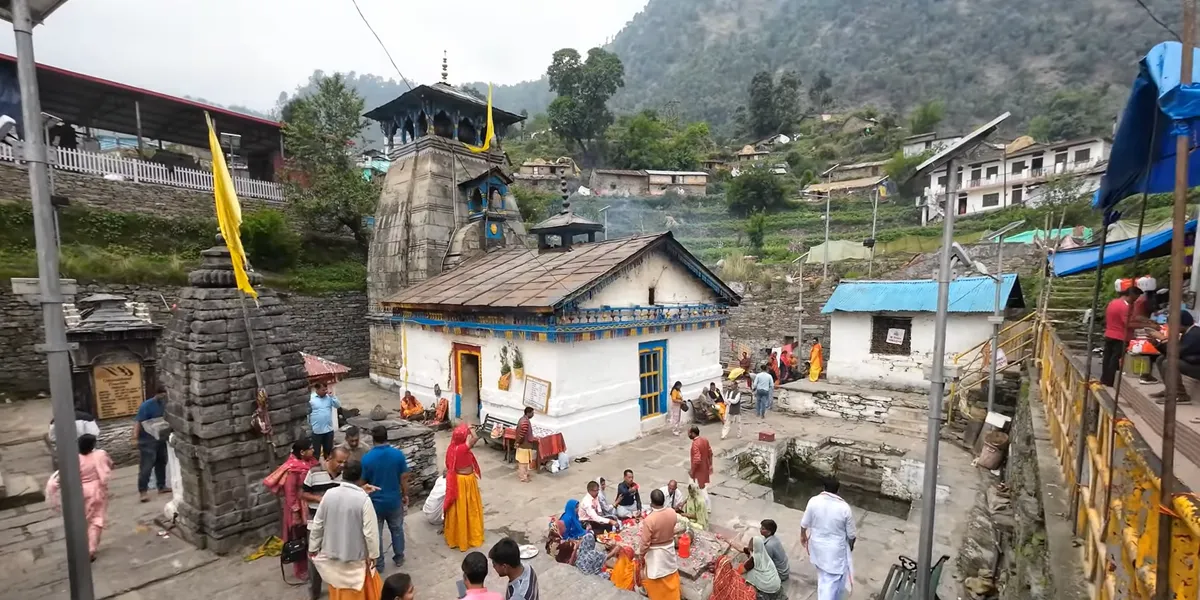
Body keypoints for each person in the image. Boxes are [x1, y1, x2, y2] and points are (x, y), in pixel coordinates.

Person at [308, 460, 383, 600]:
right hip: (356, 561)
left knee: (337, 590)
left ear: (342, 473)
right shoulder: (363, 500)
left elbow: (318, 524)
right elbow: (370, 533)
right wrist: (373, 555)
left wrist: (313, 547)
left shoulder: (329, 495)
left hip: (332, 557)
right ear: (361, 477)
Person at [45, 434, 112, 561]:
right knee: (96, 519)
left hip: (79, 492)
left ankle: (81, 547)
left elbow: (60, 479)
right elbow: (110, 465)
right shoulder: (99, 455)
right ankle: (91, 549)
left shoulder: (74, 460)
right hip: (97, 491)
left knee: (82, 520)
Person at [265, 439, 319, 581]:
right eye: (311, 449)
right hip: (298, 508)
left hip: (310, 502)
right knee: (298, 538)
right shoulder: (292, 470)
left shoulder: (311, 462)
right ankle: (300, 569)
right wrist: (296, 512)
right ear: (302, 452)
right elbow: (290, 494)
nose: (313, 451)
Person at [303, 447, 351, 599]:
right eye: (339, 461)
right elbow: (303, 493)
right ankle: (314, 593)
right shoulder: (314, 472)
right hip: (315, 522)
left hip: (336, 523)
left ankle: (336, 591)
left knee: (336, 558)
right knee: (314, 559)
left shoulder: (344, 476)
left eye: (345, 462)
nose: (342, 465)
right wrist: (320, 499)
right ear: (330, 458)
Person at [362, 425, 410, 570]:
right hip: (394, 500)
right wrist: (405, 494)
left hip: (375, 503)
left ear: (373, 439)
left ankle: (380, 563)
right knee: (397, 530)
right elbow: (404, 478)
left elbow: (363, 482)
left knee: (376, 534)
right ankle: (399, 557)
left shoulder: (367, 459)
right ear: (387, 436)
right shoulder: (398, 455)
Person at [800, 477, 857, 600]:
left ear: (823, 488)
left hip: (817, 547)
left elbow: (804, 523)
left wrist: (803, 535)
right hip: (835, 551)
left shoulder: (814, 501)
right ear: (838, 490)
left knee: (824, 576)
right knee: (830, 582)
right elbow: (852, 535)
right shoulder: (844, 508)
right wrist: (850, 548)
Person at [445, 423, 484, 551]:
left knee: (459, 509)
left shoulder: (452, 448)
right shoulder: (462, 448)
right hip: (465, 482)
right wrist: (471, 429)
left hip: (458, 480)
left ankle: (457, 536)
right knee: (468, 509)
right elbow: (476, 438)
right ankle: (469, 536)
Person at [639, 489, 684, 600]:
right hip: (669, 548)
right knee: (670, 573)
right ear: (664, 501)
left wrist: (641, 554)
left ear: (651, 502)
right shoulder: (672, 513)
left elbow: (645, 542)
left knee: (655, 576)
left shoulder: (649, 520)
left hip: (655, 552)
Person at [133, 384, 170, 502]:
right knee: (147, 466)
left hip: (160, 437)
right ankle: (143, 491)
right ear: (158, 394)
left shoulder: (165, 404)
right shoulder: (147, 405)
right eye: (163, 394)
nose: (164, 396)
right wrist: (134, 437)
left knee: (162, 462)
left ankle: (161, 486)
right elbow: (138, 422)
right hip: (147, 440)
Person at [1101, 286, 1142, 387]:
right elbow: (1128, 323)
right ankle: (1110, 381)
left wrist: (1144, 321)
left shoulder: (1113, 302)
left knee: (1107, 358)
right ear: (1132, 295)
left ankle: (1104, 379)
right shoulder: (1125, 306)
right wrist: (1147, 325)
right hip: (1120, 336)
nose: (1137, 300)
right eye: (1137, 297)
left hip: (1109, 333)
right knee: (1115, 359)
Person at [310, 383, 341, 461]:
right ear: (317, 390)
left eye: (326, 389)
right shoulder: (311, 399)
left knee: (328, 451)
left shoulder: (329, 398)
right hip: (317, 430)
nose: (325, 391)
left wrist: (332, 396)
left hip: (328, 430)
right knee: (316, 452)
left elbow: (338, 405)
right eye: (323, 390)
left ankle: (328, 467)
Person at [688, 426, 713, 509]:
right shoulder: (705, 440)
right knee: (701, 486)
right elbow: (710, 453)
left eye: (689, 433)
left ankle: (706, 506)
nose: (688, 434)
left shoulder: (695, 444)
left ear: (693, 433)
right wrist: (710, 465)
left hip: (698, 470)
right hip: (705, 467)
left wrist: (692, 471)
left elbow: (697, 459)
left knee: (700, 487)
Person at [515, 407, 538, 483]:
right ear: (528, 413)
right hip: (524, 445)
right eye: (532, 413)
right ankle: (523, 477)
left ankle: (525, 474)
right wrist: (518, 443)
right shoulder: (525, 422)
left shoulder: (523, 419)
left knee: (525, 461)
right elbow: (521, 435)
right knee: (523, 463)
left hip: (525, 445)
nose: (533, 414)